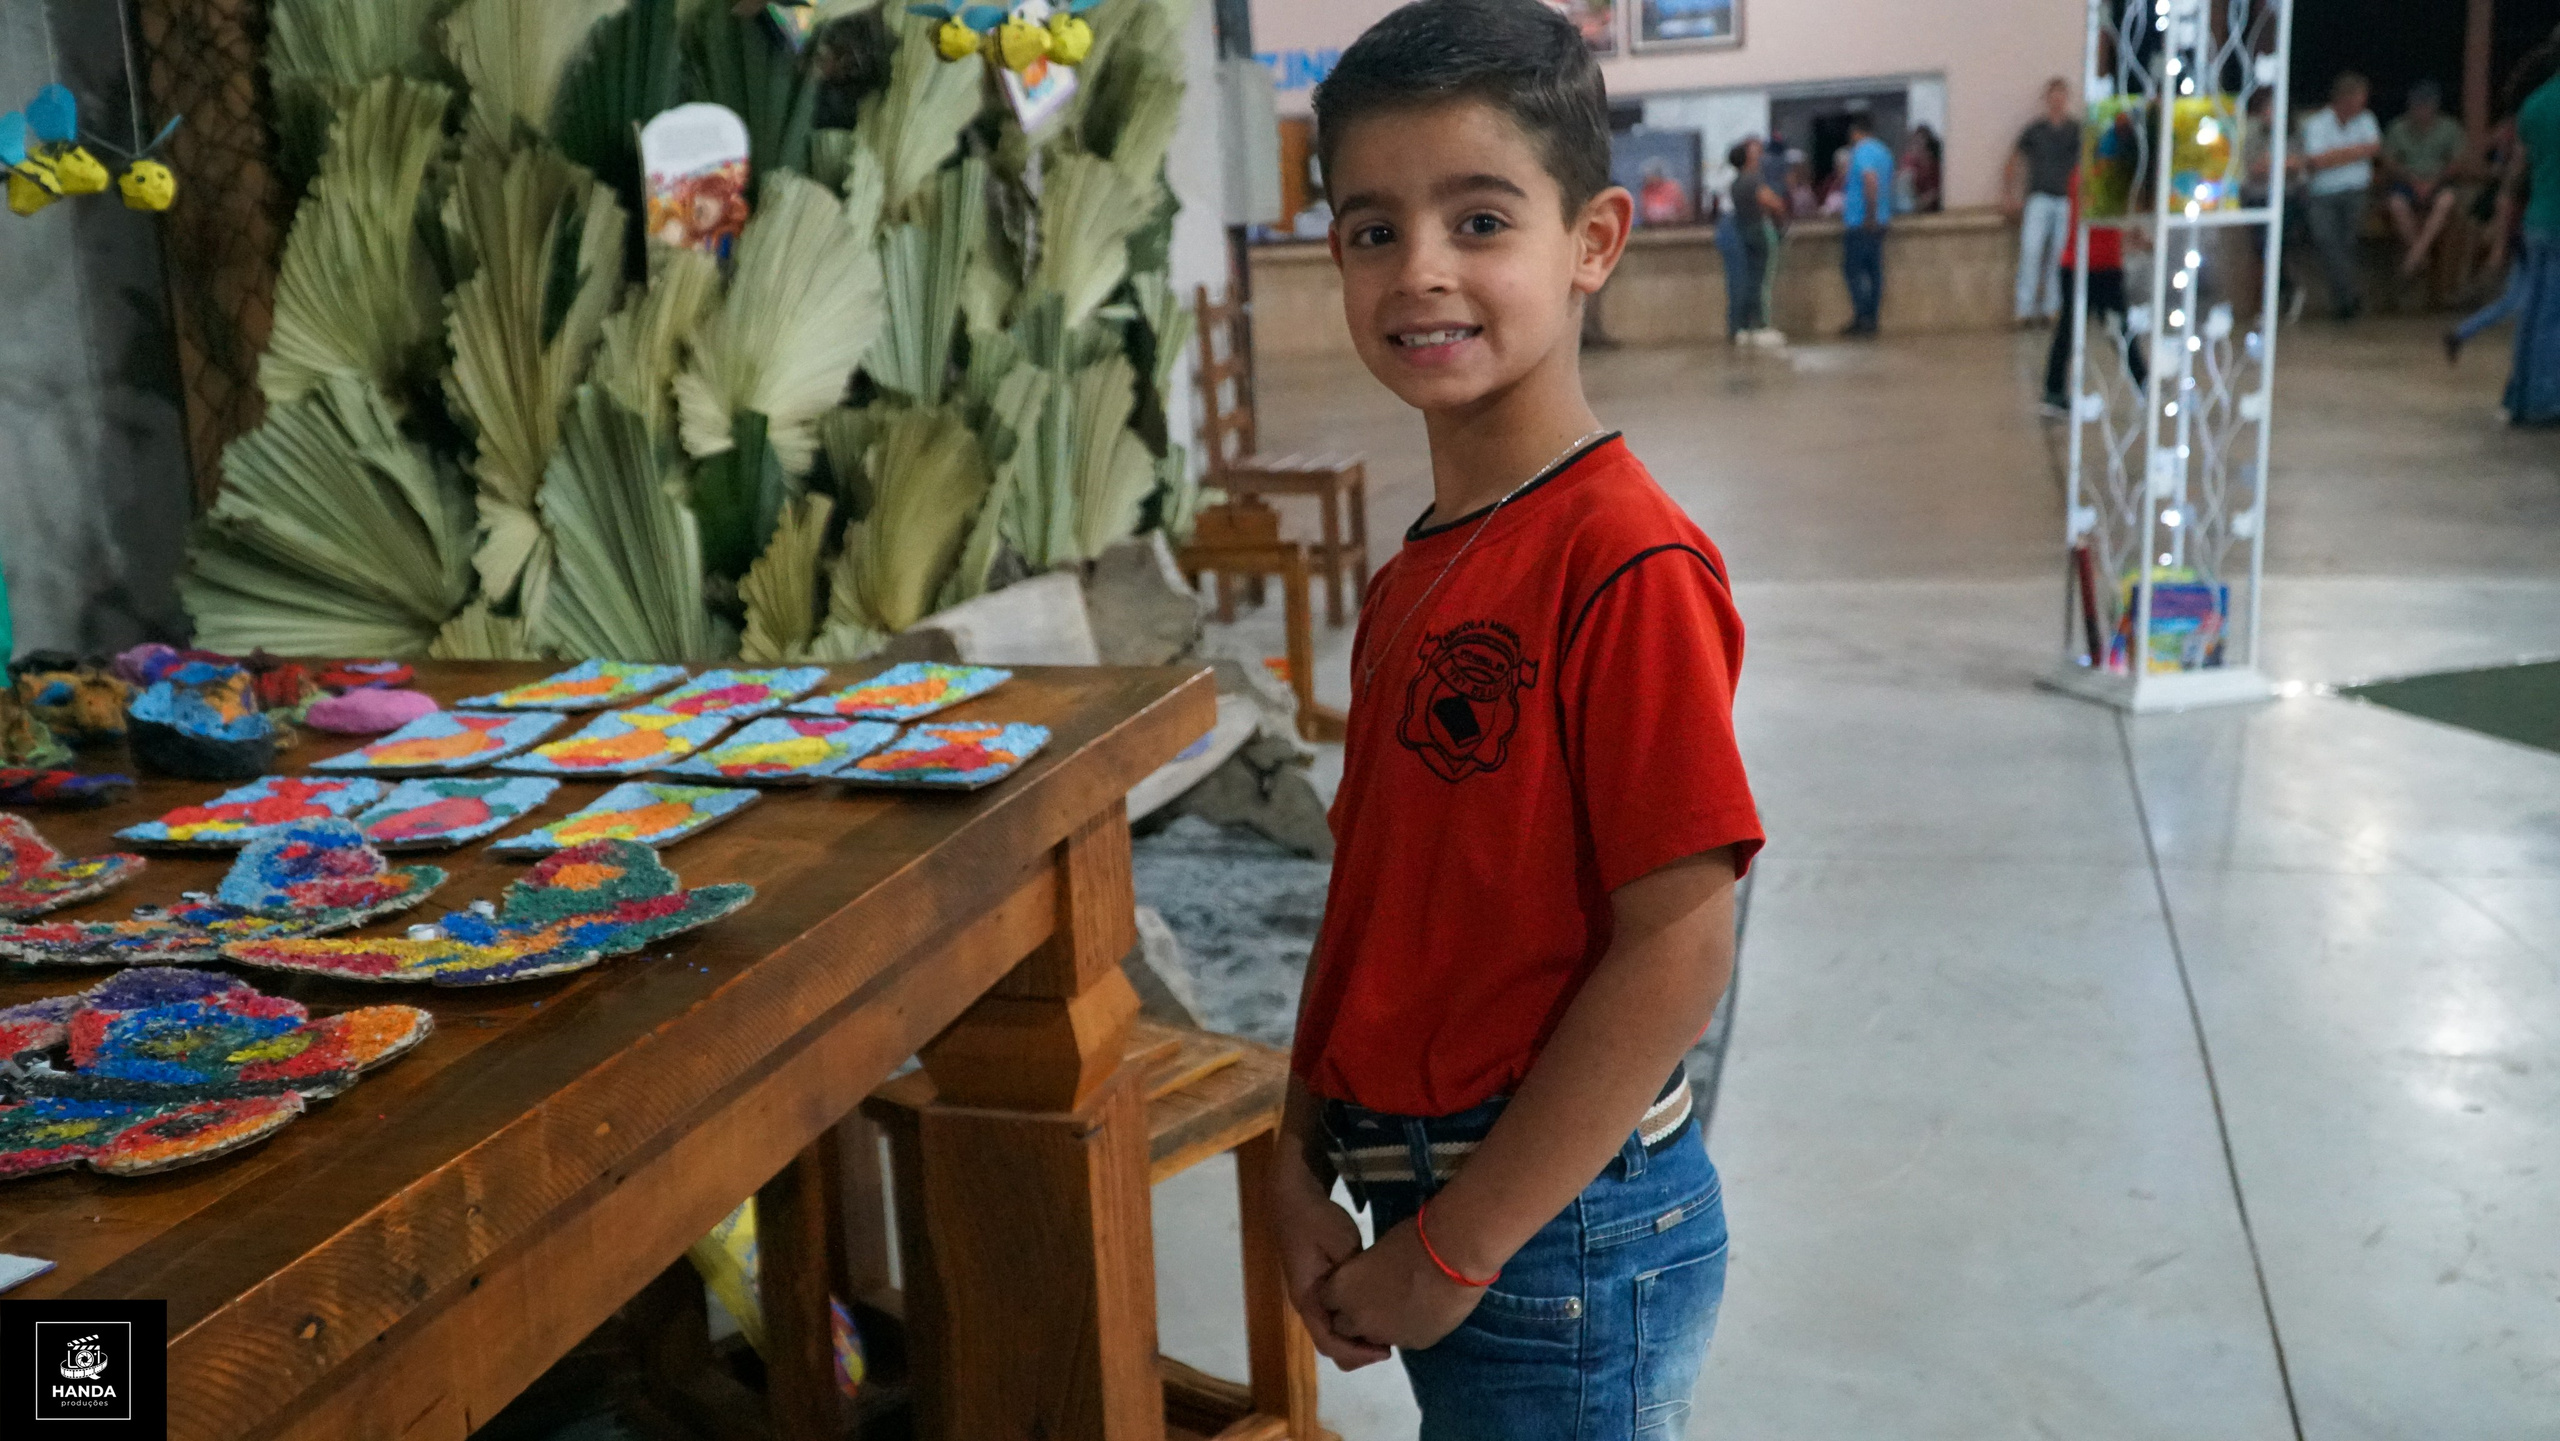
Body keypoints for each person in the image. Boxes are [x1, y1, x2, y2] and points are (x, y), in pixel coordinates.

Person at [1282, 3, 1764, 1435]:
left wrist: (1458, 1245)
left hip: (1564, 1231)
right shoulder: (1415, 571)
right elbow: (1374, 895)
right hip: (1441, 1195)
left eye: (1479, 220)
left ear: (1592, 240)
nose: (1420, 269)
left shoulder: (1625, 559)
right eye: (1374, 230)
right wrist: (1296, 1150)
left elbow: (1677, 949)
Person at [2041, 166, 2147, 413]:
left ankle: (2144, 383)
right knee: (2079, 330)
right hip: (2083, 266)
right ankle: (2054, 391)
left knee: (2117, 330)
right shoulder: (2090, 175)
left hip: (2100, 265)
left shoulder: (2094, 174)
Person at [2502, 41, 2560, 422]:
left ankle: (2520, 396)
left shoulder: (2534, 104)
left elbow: (2519, 170)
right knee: (2554, 317)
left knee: (2534, 312)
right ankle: (2546, 401)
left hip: (2537, 219)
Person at [2296, 72, 2382, 319]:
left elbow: (2374, 148)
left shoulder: (2366, 119)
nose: (2364, 102)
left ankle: (2344, 301)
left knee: (2348, 243)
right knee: (2326, 241)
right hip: (2322, 194)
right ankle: (2348, 296)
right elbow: (2316, 161)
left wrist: (2335, 155)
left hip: (2356, 191)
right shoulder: (2317, 123)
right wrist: (2356, 151)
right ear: (2345, 98)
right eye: (2360, 96)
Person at [2007, 79, 2083, 326]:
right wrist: (2010, 194)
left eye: (2061, 95)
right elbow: (2014, 158)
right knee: (2030, 251)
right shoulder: (2035, 130)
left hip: (2066, 199)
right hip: (2038, 197)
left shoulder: (2076, 130)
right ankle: (2024, 309)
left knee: (2059, 256)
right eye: (2054, 95)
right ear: (2047, 98)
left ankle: (2052, 308)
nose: (2057, 100)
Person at [2382, 79, 2472, 281]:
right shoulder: (2398, 127)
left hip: (2439, 181)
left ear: (2435, 106)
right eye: (2417, 105)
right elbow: (2389, 161)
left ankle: (2415, 256)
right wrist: (2412, 179)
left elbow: (2458, 161)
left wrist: (2434, 181)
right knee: (2396, 203)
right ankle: (2420, 257)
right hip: (2407, 181)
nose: (2421, 110)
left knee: (2446, 202)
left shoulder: (2449, 127)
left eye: (2426, 105)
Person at [1726, 136, 1787, 347]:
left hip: (1744, 231)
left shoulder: (1735, 184)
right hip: (1761, 231)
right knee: (1763, 280)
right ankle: (1762, 324)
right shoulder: (1752, 180)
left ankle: (1745, 325)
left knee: (1751, 278)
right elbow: (1774, 203)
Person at [1840, 111, 1895, 336]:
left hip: (1861, 222)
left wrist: (1869, 215)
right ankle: (1871, 318)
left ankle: (1862, 317)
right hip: (1880, 220)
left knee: (1853, 270)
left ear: (1855, 132)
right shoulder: (1884, 152)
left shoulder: (1862, 151)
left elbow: (1869, 180)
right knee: (1874, 273)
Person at [1901, 122, 1944, 214]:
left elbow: (1939, 191)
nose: (1917, 148)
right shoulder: (1912, 165)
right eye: (1915, 143)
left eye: (1921, 143)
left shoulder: (1937, 167)